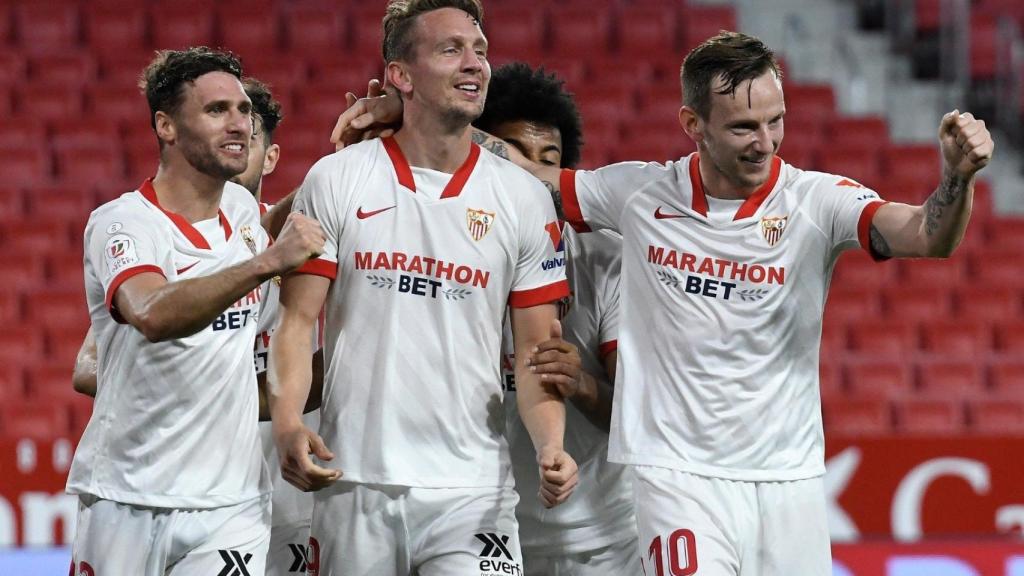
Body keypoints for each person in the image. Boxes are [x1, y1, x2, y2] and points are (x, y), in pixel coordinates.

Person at [334, 30, 994, 575]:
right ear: (692, 124)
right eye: (742, 127)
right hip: (676, 479)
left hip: (788, 480)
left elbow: (924, 237)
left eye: (775, 121)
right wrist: (420, 115)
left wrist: (957, 179)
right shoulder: (640, 197)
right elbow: (523, 178)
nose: (765, 143)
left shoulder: (817, 201)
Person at [267, 2, 579, 574]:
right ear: (401, 75)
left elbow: (537, 353)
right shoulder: (338, 178)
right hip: (355, 479)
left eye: (480, 50)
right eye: (451, 49)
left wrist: (550, 444)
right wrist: (288, 421)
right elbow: (294, 323)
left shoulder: (523, 199)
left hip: (473, 491)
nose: (475, 64)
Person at [66, 47, 324, 576]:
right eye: (216, 111)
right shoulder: (124, 224)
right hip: (127, 495)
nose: (240, 125)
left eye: (243, 111)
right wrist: (268, 263)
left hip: (230, 505)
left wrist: (355, 150)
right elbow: (154, 312)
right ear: (166, 125)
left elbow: (273, 218)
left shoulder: (241, 211)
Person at [475, 62, 640, 575]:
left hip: (600, 540)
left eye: (547, 161)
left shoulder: (605, 260)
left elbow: (643, 418)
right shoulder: (443, 256)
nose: (530, 175)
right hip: (477, 531)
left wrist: (584, 386)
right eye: (513, 152)